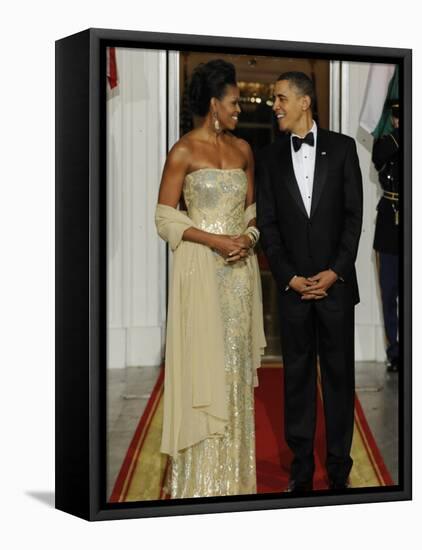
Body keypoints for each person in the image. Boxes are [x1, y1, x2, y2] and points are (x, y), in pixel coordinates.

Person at [155, 59, 266, 498]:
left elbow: (254, 212)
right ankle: (198, 482)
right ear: (214, 104)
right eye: (235, 102)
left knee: (233, 367)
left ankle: (234, 479)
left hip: (239, 277)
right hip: (200, 273)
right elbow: (164, 218)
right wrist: (214, 241)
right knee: (204, 366)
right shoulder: (183, 150)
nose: (240, 110)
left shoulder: (243, 151)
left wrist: (249, 237)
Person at [256, 71, 363, 492]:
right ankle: (301, 469)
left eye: (281, 97)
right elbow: (268, 224)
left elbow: (353, 217)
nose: (275, 105)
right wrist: (290, 277)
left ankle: (339, 469)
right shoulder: (268, 158)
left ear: (304, 102)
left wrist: (335, 271)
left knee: (339, 380)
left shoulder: (343, 149)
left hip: (336, 288)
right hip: (294, 291)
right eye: (274, 99)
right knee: (297, 381)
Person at [371, 101, 399, 373]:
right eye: (397, 117)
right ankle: (395, 352)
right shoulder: (388, 142)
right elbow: (378, 156)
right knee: (389, 291)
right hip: (390, 223)